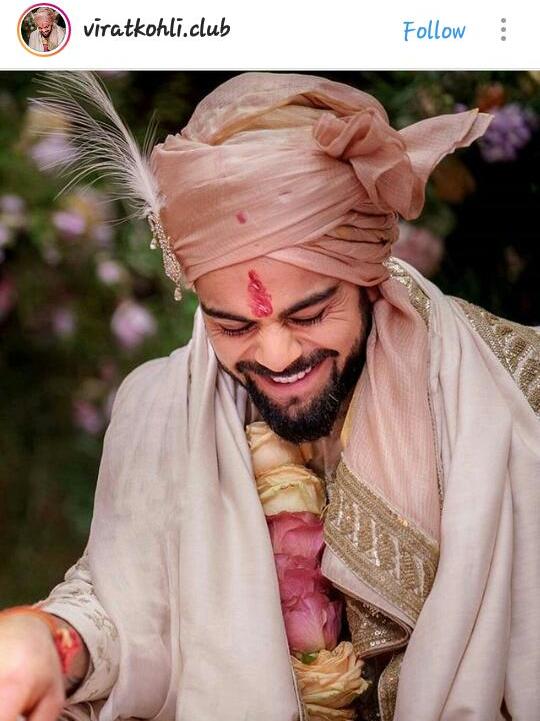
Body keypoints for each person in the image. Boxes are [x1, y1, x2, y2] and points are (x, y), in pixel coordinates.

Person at [0, 72, 538, 721]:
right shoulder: (162, 406)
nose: (278, 356)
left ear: (368, 279)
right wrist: (49, 642)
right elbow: (119, 606)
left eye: (309, 315)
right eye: (234, 326)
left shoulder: (514, 393)